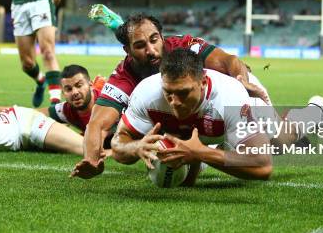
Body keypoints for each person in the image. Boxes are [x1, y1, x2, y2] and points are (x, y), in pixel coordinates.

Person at [71, 10, 270, 179]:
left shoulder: (183, 48)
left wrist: (242, 81)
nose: (150, 50)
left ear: (162, 37)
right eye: (140, 46)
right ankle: (200, 156)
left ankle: (295, 121)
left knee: (283, 139)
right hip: (179, 116)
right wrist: (91, 159)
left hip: (230, 94)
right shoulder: (125, 78)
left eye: (154, 40)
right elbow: (97, 124)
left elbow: (229, 61)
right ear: (127, 50)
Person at [111, 49, 323, 184]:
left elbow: (262, 167)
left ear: (202, 83)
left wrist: (201, 153)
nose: (174, 102)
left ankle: (316, 110)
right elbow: (118, 143)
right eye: (168, 93)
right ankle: (210, 151)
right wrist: (136, 147)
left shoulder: (232, 98)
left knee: (282, 141)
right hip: (204, 126)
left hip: (245, 97)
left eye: (183, 93)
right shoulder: (146, 93)